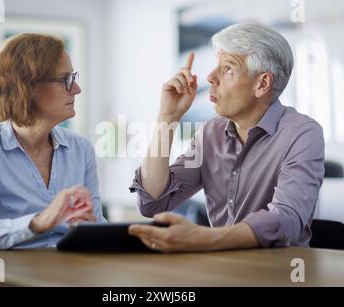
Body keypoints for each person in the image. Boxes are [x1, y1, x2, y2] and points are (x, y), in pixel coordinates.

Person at [128, 23, 325, 252]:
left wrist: (203, 238)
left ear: (262, 84)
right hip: (222, 270)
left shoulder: (303, 134)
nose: (210, 77)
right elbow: (152, 202)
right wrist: (168, 116)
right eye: (216, 66)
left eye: (228, 69)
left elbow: (286, 220)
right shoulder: (210, 132)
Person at [0, 33, 105, 250]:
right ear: (27, 87)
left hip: (67, 277)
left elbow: (96, 226)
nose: (76, 89)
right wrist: (38, 222)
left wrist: (89, 230)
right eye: (65, 80)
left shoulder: (81, 149)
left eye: (74, 77)